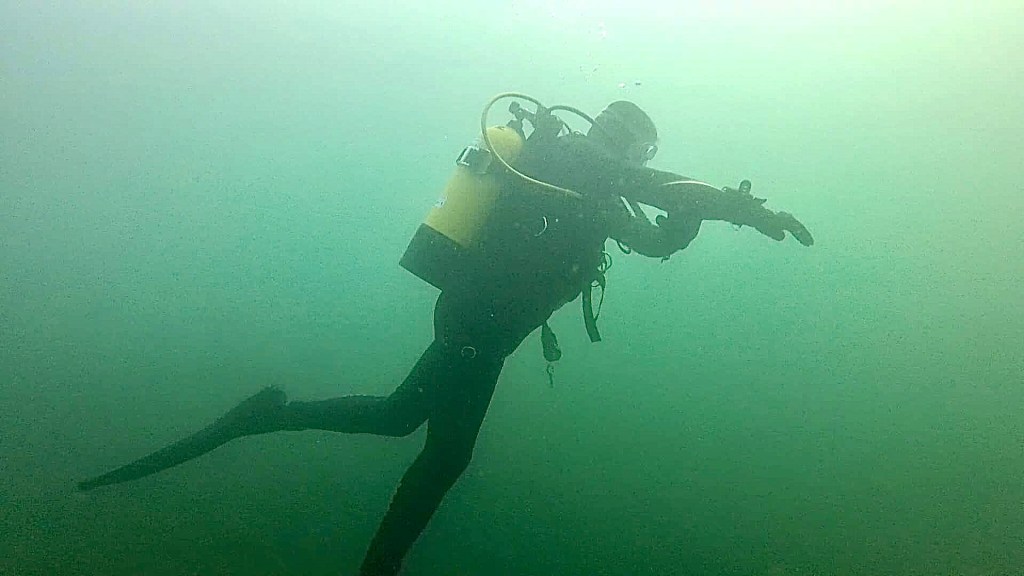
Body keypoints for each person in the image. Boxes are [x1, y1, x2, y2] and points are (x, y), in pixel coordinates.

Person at [77, 97, 813, 576]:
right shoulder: (571, 161)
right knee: (430, 442)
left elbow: (652, 239)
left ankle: (270, 429)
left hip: (481, 323)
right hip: (478, 321)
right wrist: (742, 210)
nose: (634, 165)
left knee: (411, 426)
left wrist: (694, 222)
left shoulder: (591, 189)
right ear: (624, 142)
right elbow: (657, 189)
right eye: (638, 153)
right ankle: (338, 517)